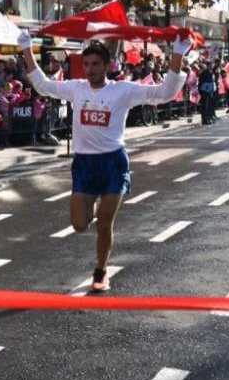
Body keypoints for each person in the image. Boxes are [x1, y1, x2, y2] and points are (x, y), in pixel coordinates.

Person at [23, 32, 187, 292]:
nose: (90, 70)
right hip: (84, 165)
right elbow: (43, 85)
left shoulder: (123, 90)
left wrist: (177, 53)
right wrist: (26, 48)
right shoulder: (76, 88)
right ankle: (91, 208)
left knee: (104, 224)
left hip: (113, 163)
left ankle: (100, 271)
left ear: (107, 65)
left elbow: (165, 93)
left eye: (96, 64)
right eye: (87, 64)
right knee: (79, 225)